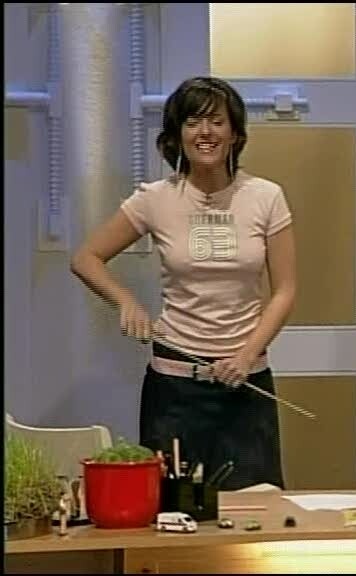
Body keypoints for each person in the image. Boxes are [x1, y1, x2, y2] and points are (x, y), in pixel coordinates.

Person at [71, 76, 296, 490]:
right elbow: (86, 258)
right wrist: (125, 301)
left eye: (217, 122)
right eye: (193, 122)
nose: (205, 132)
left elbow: (285, 291)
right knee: (172, 509)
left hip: (245, 382)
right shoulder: (155, 198)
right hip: (173, 389)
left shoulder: (266, 196)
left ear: (235, 134)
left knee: (257, 508)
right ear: (177, 134)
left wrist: (246, 356)